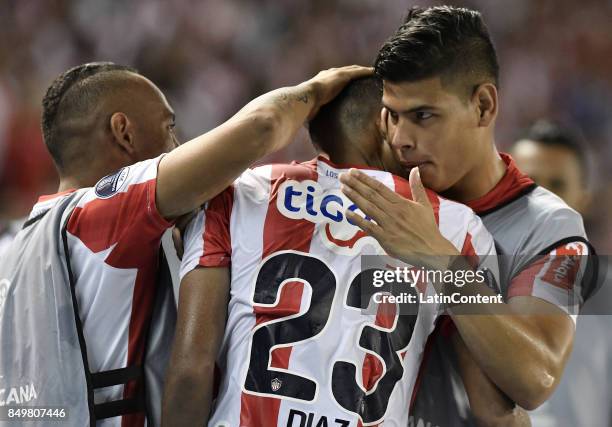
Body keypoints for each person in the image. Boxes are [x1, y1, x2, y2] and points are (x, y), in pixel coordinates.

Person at [0, 61, 371, 426]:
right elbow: (262, 127)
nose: (178, 144)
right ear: (124, 133)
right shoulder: (104, 213)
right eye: (168, 128)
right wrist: (317, 88)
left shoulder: (17, 246)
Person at [162, 77, 515, 426]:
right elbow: (491, 409)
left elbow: (192, 369)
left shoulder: (238, 193)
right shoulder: (457, 228)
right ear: (385, 123)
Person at [337, 6, 596, 426]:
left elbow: (535, 376)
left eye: (423, 115)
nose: (401, 139)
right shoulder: (381, 189)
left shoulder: (548, 228)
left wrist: (444, 261)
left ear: (483, 106)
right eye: (393, 115)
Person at [511, 120, 611, 427]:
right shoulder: (466, 283)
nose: (543, 201)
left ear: (583, 199)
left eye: (557, 185)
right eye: (530, 183)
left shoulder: (607, 292)